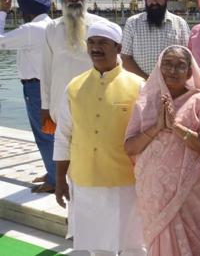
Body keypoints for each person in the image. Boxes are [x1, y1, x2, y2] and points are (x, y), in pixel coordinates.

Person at [53, 21, 145, 255]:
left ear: (118, 47)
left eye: (103, 42)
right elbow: (63, 135)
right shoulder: (74, 87)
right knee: (93, 245)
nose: (96, 48)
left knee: (131, 245)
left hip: (126, 182)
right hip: (85, 181)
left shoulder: (138, 86)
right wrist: (60, 178)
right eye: (92, 42)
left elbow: (148, 138)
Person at [124, 45, 200, 256]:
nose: (172, 70)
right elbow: (130, 147)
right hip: (154, 190)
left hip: (192, 189)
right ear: (159, 68)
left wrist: (176, 128)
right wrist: (158, 126)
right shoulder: (147, 100)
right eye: (167, 64)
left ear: (189, 72)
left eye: (180, 66)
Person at [0, 0, 56, 193]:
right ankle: (54, 172)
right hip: (53, 85)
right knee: (55, 133)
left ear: (26, 12)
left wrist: (2, 12)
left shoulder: (30, 29)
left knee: (44, 134)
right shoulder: (53, 25)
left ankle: (55, 179)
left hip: (36, 87)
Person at [41, 0, 108, 127]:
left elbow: (114, 65)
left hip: (95, 101)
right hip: (60, 105)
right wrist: (45, 107)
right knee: (62, 150)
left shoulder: (100, 26)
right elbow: (46, 70)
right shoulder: (52, 28)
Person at [121, 0, 190, 79]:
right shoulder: (133, 23)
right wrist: (148, 81)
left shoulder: (180, 24)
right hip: (140, 86)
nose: (154, 2)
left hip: (172, 87)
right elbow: (126, 58)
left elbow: (187, 57)